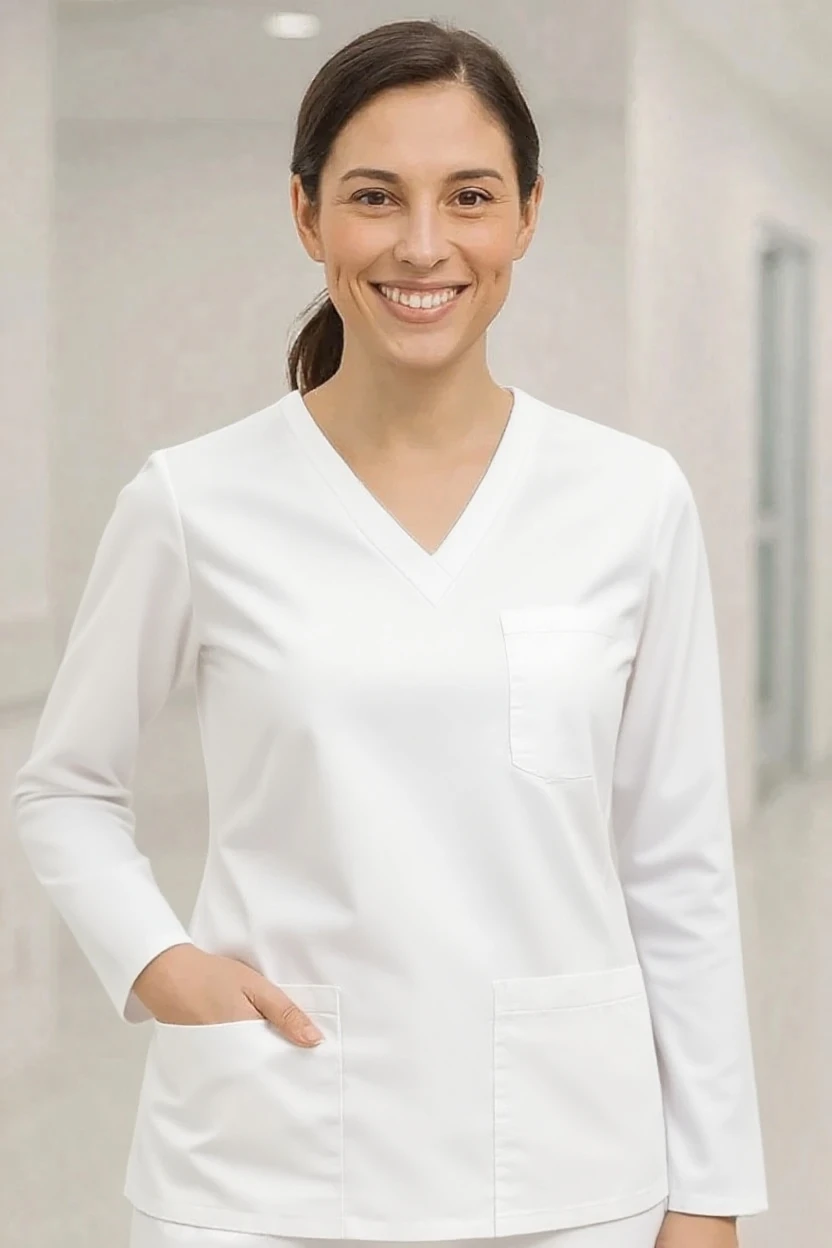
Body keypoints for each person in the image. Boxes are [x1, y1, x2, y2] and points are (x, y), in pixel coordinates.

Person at [10, 18, 767, 1248]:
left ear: (527, 213)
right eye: (375, 197)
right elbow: (65, 790)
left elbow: (675, 868)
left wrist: (711, 1189)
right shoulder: (195, 500)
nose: (424, 245)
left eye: (469, 196)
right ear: (308, 217)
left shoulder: (631, 499)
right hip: (263, 1166)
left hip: (570, 1172)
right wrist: (161, 962)